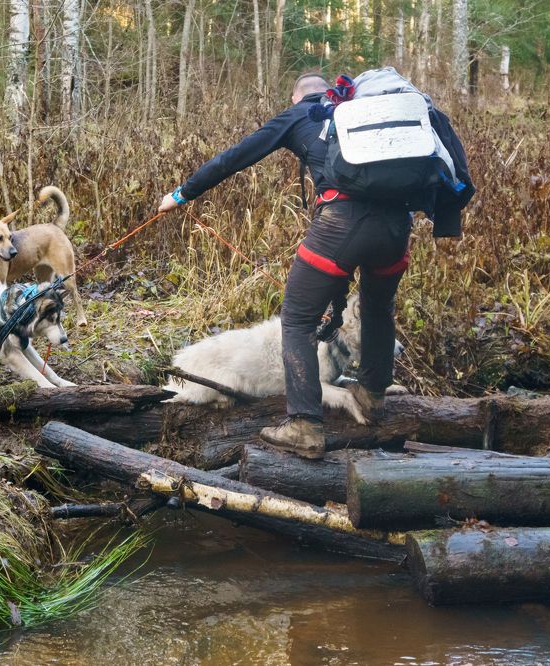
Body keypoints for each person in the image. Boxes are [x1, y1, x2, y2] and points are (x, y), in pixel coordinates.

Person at [159, 72, 471, 459]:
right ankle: (372, 398)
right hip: (396, 229)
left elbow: (236, 157)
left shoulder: (299, 116)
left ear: (296, 97)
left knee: (297, 318)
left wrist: (181, 193)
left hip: (341, 225)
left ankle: (305, 425)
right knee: (378, 308)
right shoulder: (356, 111)